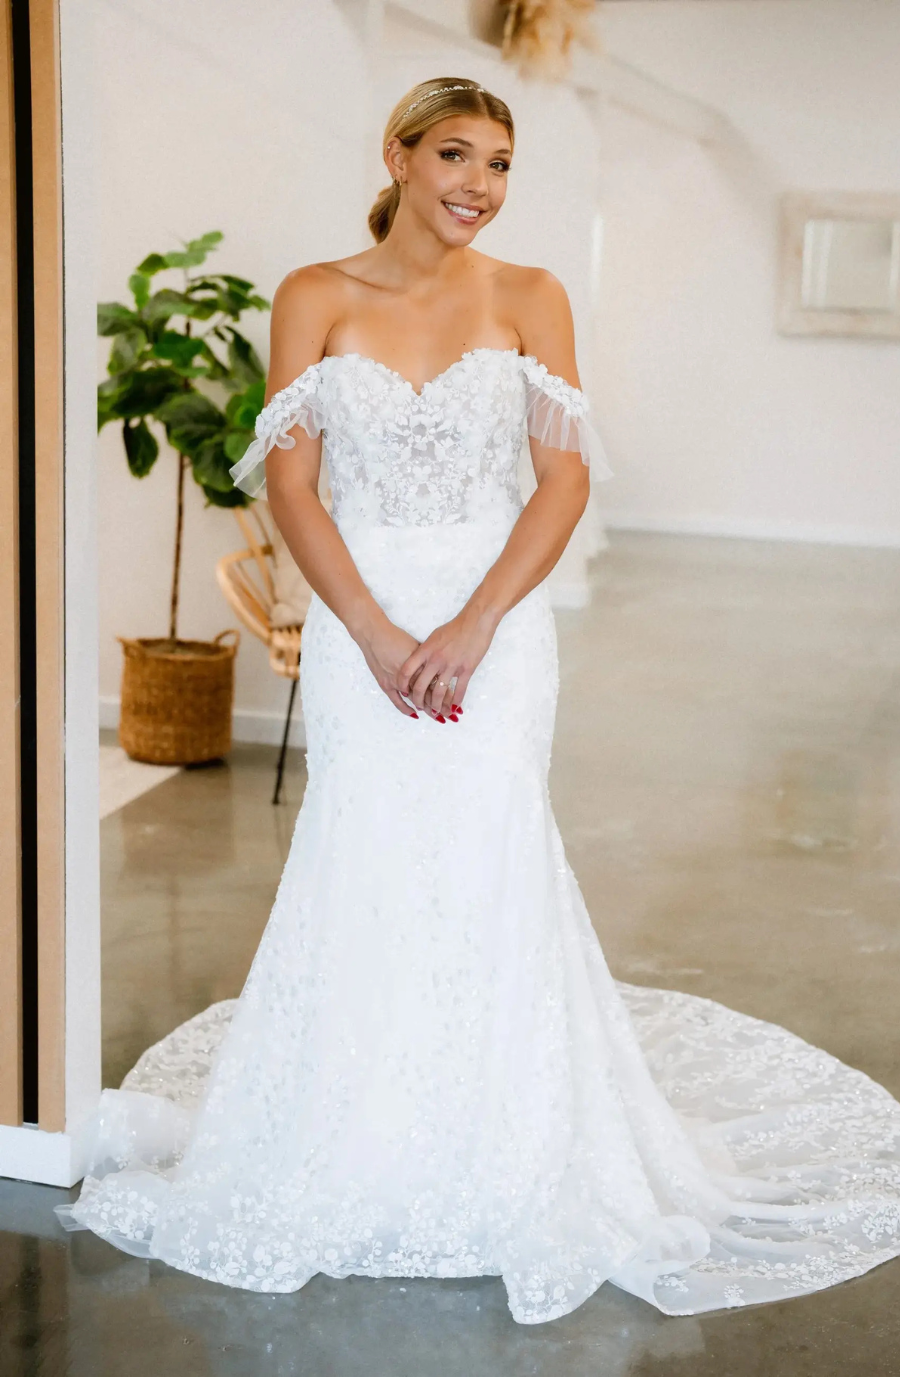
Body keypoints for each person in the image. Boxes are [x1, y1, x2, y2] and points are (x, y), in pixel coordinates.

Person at [58, 77, 900, 1325]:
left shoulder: (531, 295)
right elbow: (293, 490)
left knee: (488, 857)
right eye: (456, 154)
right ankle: (353, 1128)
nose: (479, 186)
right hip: (361, 623)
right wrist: (380, 632)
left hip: (492, 624)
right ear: (398, 155)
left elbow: (560, 483)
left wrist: (469, 625)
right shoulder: (315, 295)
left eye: (501, 165)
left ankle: (504, 1140)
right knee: (365, 857)